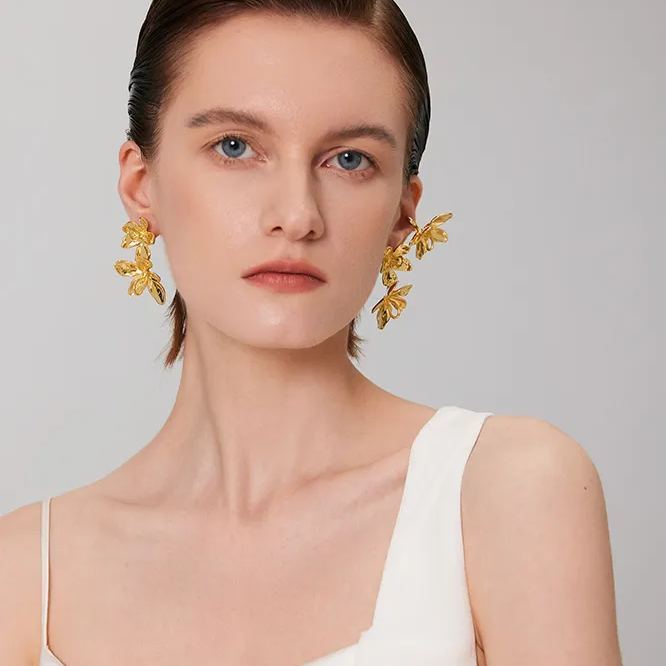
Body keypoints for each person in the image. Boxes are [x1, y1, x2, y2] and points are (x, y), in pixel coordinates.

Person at [0, 1, 622, 664]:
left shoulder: (508, 489)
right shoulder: (24, 573)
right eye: (235, 147)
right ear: (141, 183)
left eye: (349, 160)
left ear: (402, 211)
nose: (297, 216)